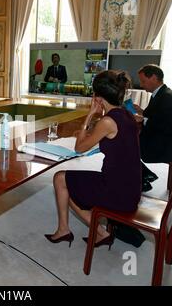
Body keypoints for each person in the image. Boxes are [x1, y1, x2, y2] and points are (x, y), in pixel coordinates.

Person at [45, 70, 141, 248]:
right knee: (71, 181)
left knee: (60, 179)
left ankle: (75, 230)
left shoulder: (107, 122)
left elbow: (79, 147)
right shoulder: (127, 115)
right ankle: (92, 232)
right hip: (132, 186)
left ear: (99, 97)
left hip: (117, 190)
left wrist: (90, 115)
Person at [134, 65, 172, 192]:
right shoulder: (161, 93)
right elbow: (158, 116)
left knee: (126, 145)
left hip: (161, 145)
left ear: (154, 78)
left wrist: (143, 119)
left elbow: (165, 126)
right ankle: (142, 177)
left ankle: (141, 179)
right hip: (159, 139)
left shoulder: (167, 97)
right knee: (127, 143)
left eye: (143, 81)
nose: (142, 85)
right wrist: (142, 112)